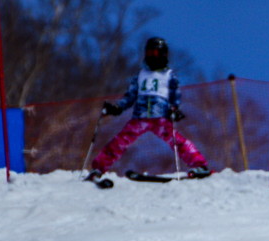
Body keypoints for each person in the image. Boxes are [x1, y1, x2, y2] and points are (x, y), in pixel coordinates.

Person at [87, 37, 210, 180]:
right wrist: (117, 108)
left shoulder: (169, 76)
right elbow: (130, 96)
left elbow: (174, 95)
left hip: (160, 118)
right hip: (140, 118)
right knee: (118, 142)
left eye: (156, 54)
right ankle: (98, 168)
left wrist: (174, 109)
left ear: (163, 55)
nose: (153, 57)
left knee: (177, 141)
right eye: (149, 53)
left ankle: (199, 165)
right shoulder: (140, 76)